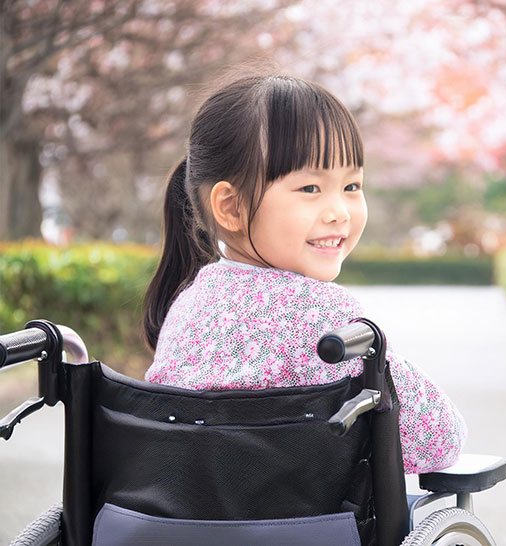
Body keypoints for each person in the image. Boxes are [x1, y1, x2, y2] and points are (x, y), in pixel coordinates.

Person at [142, 71, 466, 474]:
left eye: (352, 186)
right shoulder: (322, 316)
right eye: (310, 189)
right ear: (230, 207)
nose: (339, 212)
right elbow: (436, 440)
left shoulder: (188, 305)